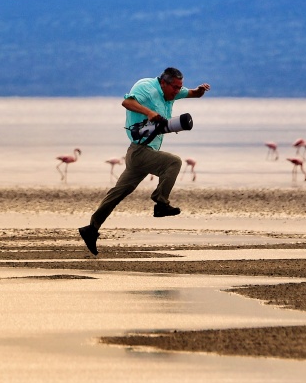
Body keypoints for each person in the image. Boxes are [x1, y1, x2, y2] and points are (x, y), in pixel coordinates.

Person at [79, 67, 210, 256]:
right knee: (174, 162)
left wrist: (199, 91)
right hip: (140, 151)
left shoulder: (173, 90)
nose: (177, 91)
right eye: (174, 87)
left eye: (179, 87)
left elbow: (193, 94)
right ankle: (161, 203)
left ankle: (91, 229)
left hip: (139, 153)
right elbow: (127, 102)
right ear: (164, 82)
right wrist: (148, 112)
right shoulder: (146, 87)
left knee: (117, 194)